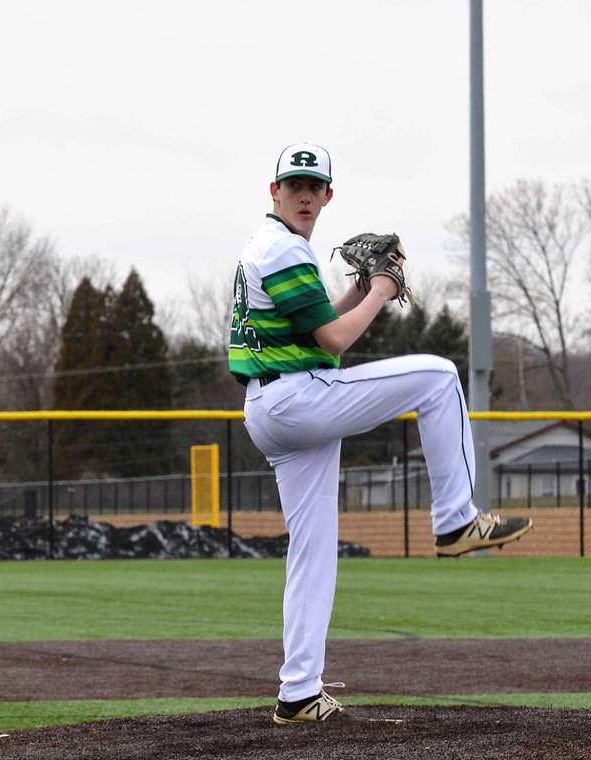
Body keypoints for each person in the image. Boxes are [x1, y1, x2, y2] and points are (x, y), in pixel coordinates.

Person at [228, 142, 532, 725]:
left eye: (314, 187)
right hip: (297, 398)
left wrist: (361, 286)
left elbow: (322, 326)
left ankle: (298, 692)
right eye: (294, 185)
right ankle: (455, 521)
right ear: (274, 192)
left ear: (328, 195)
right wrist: (382, 291)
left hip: (273, 407)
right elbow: (338, 343)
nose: (305, 195)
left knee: (313, 552)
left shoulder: (269, 248)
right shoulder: (284, 248)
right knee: (441, 377)